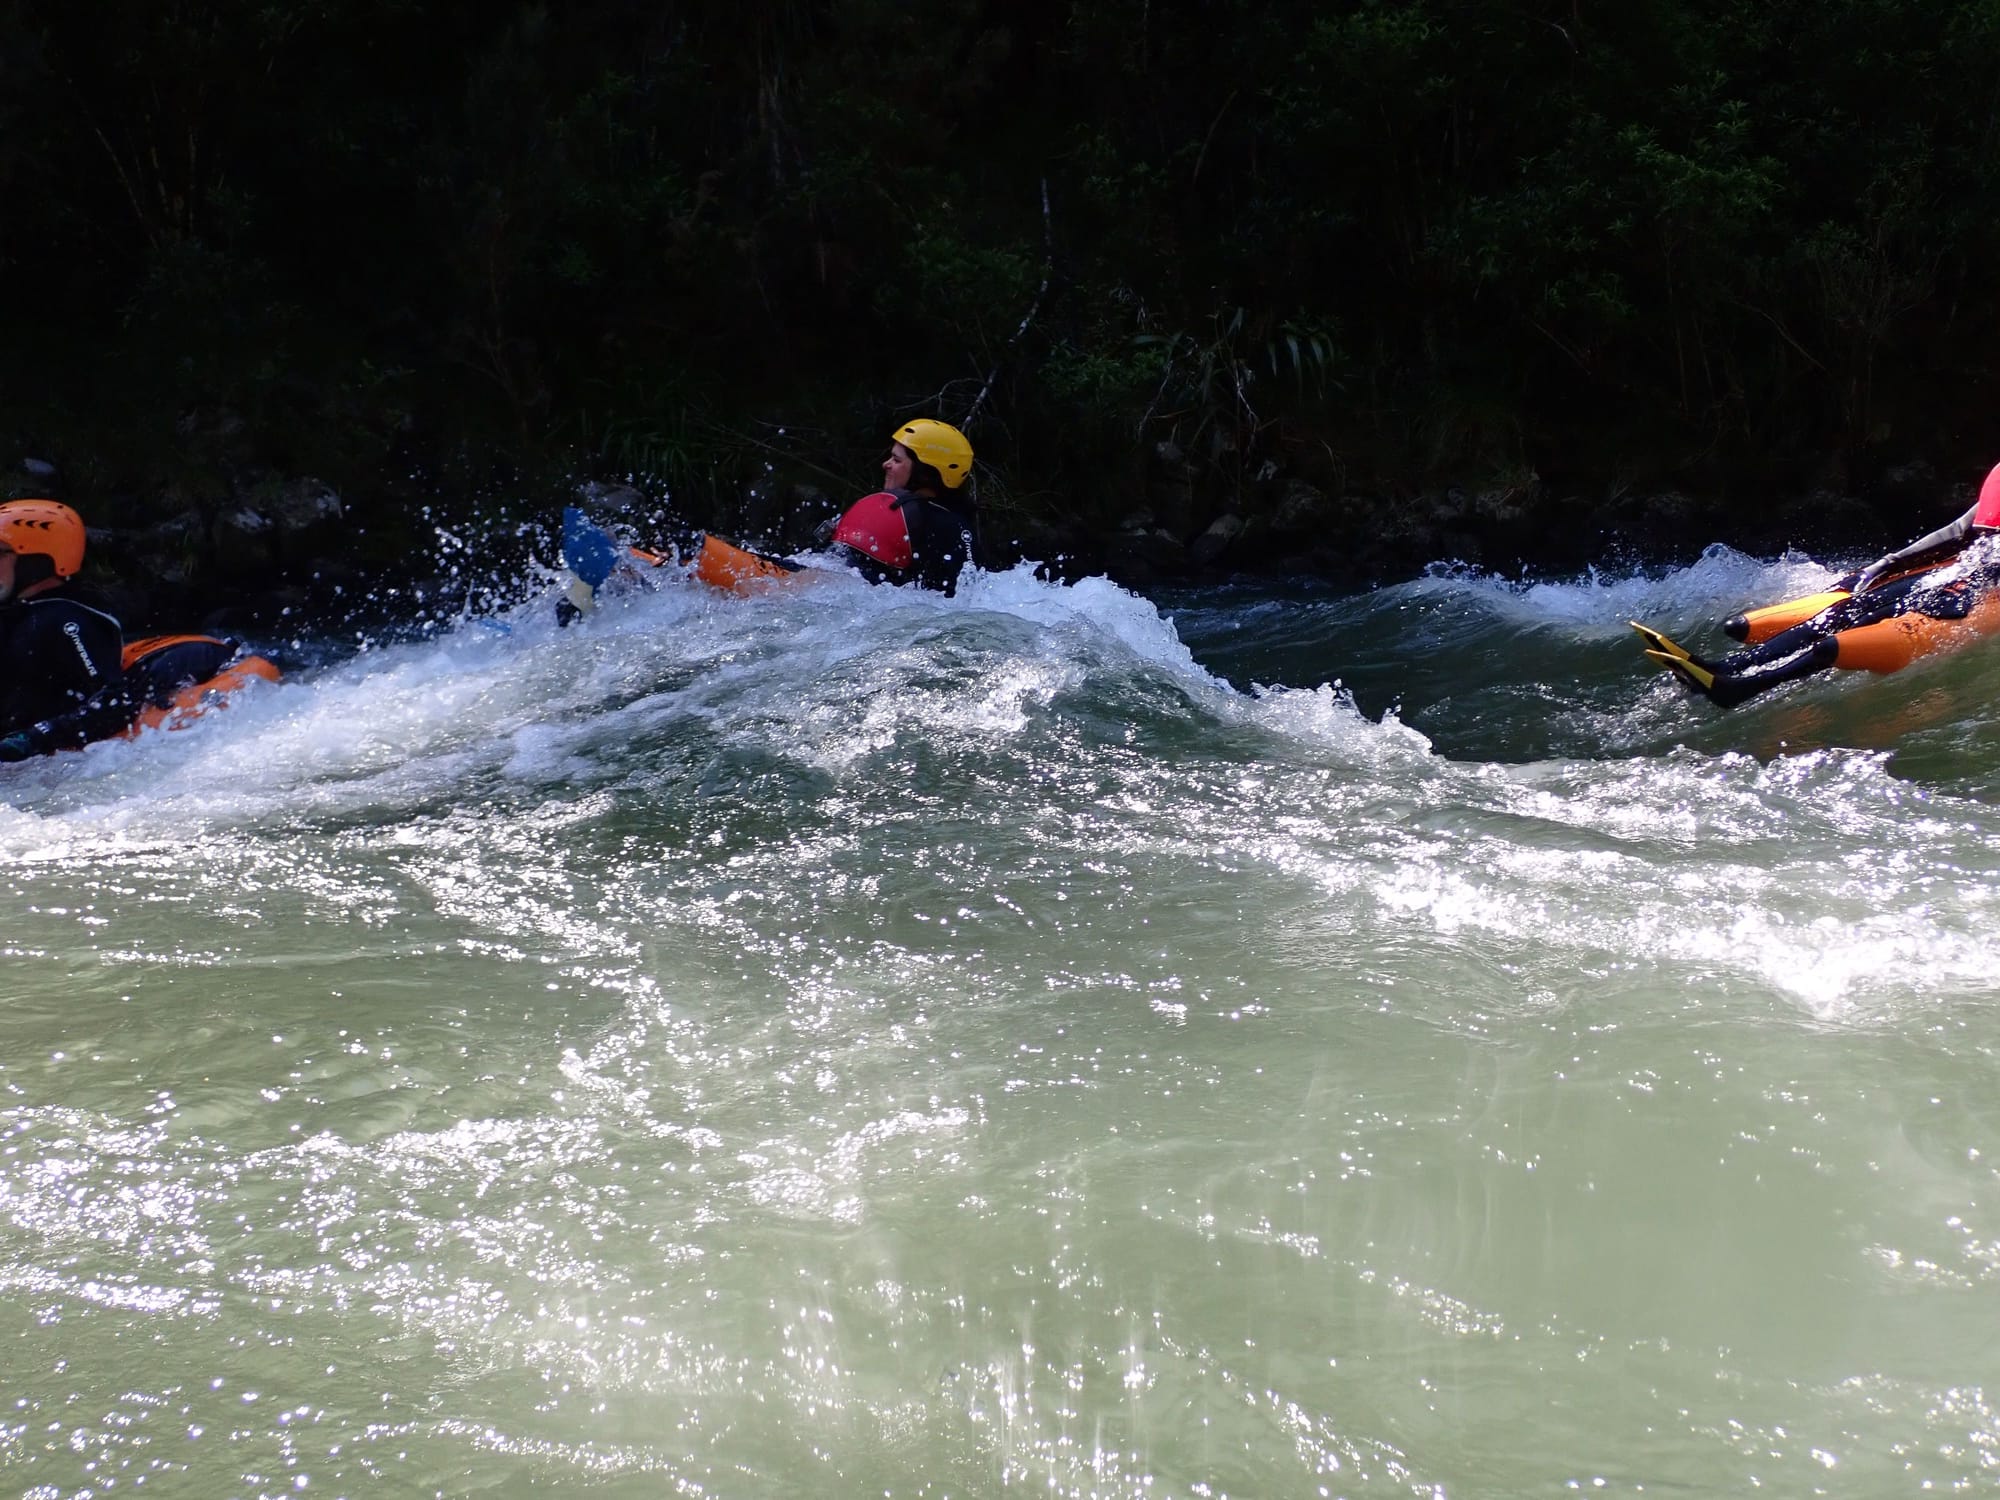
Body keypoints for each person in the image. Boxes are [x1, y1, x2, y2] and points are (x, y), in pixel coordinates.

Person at [1638, 461, 2000, 708]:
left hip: (1982, 583)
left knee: (1867, 623)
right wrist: (1883, 565)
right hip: (1966, 570)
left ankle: (1745, 688)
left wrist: (1975, 592)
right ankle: (1726, 668)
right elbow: (1958, 530)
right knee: (1847, 609)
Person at [559, 419, 979, 624]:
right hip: (823, 583)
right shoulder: (918, 512)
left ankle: (605, 579)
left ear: (929, 471)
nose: (886, 463)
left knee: (688, 552)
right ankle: (607, 580)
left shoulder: (937, 522)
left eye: (898, 459)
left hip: (828, 590)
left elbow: (938, 601)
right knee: (683, 568)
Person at [0, 499, 129, 761]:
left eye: (1, 553)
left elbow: (114, 703)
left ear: (35, 561)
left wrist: (33, 738)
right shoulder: (16, 615)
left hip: (38, 758)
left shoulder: (66, 620)